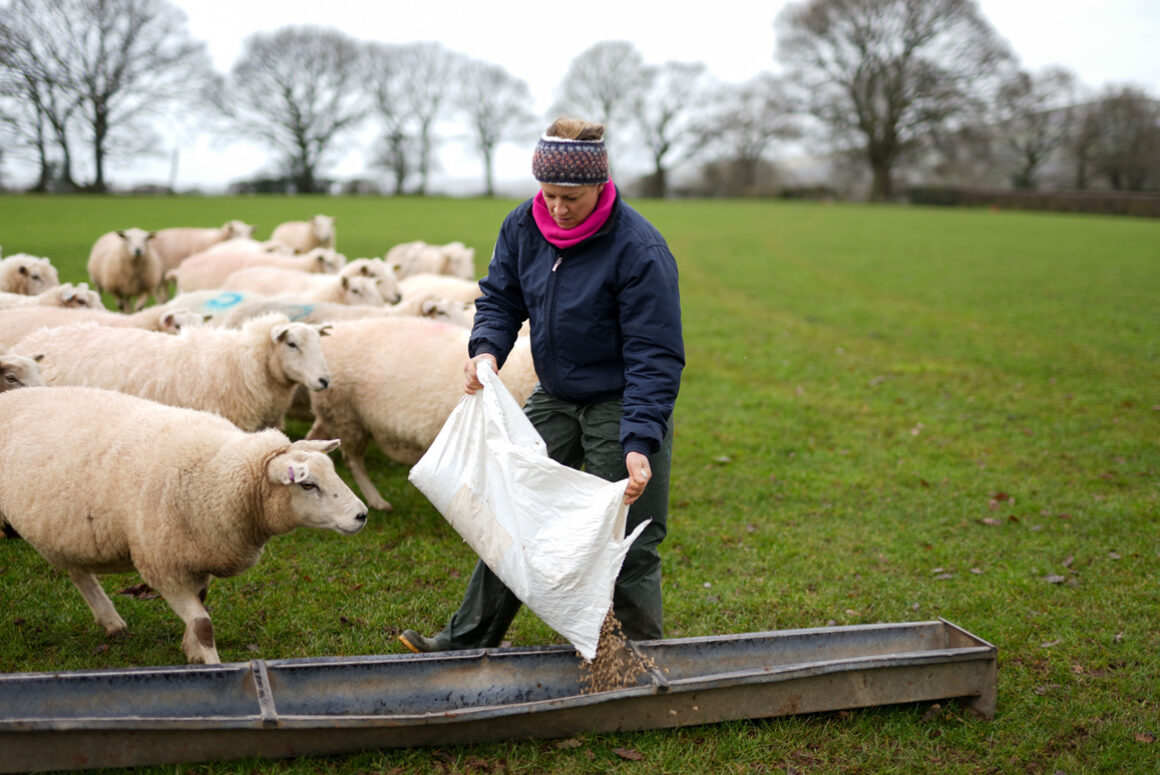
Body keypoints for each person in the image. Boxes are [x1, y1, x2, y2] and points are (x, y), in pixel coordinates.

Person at [399, 117, 684, 652]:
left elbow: (656, 353)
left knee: (623, 535)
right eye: (548, 193)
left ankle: (638, 657)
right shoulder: (523, 226)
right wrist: (486, 348)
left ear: (600, 185)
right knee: (513, 514)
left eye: (570, 196)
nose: (557, 207)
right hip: (555, 394)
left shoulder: (638, 249)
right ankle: (468, 640)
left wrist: (640, 440)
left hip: (622, 401)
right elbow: (501, 298)